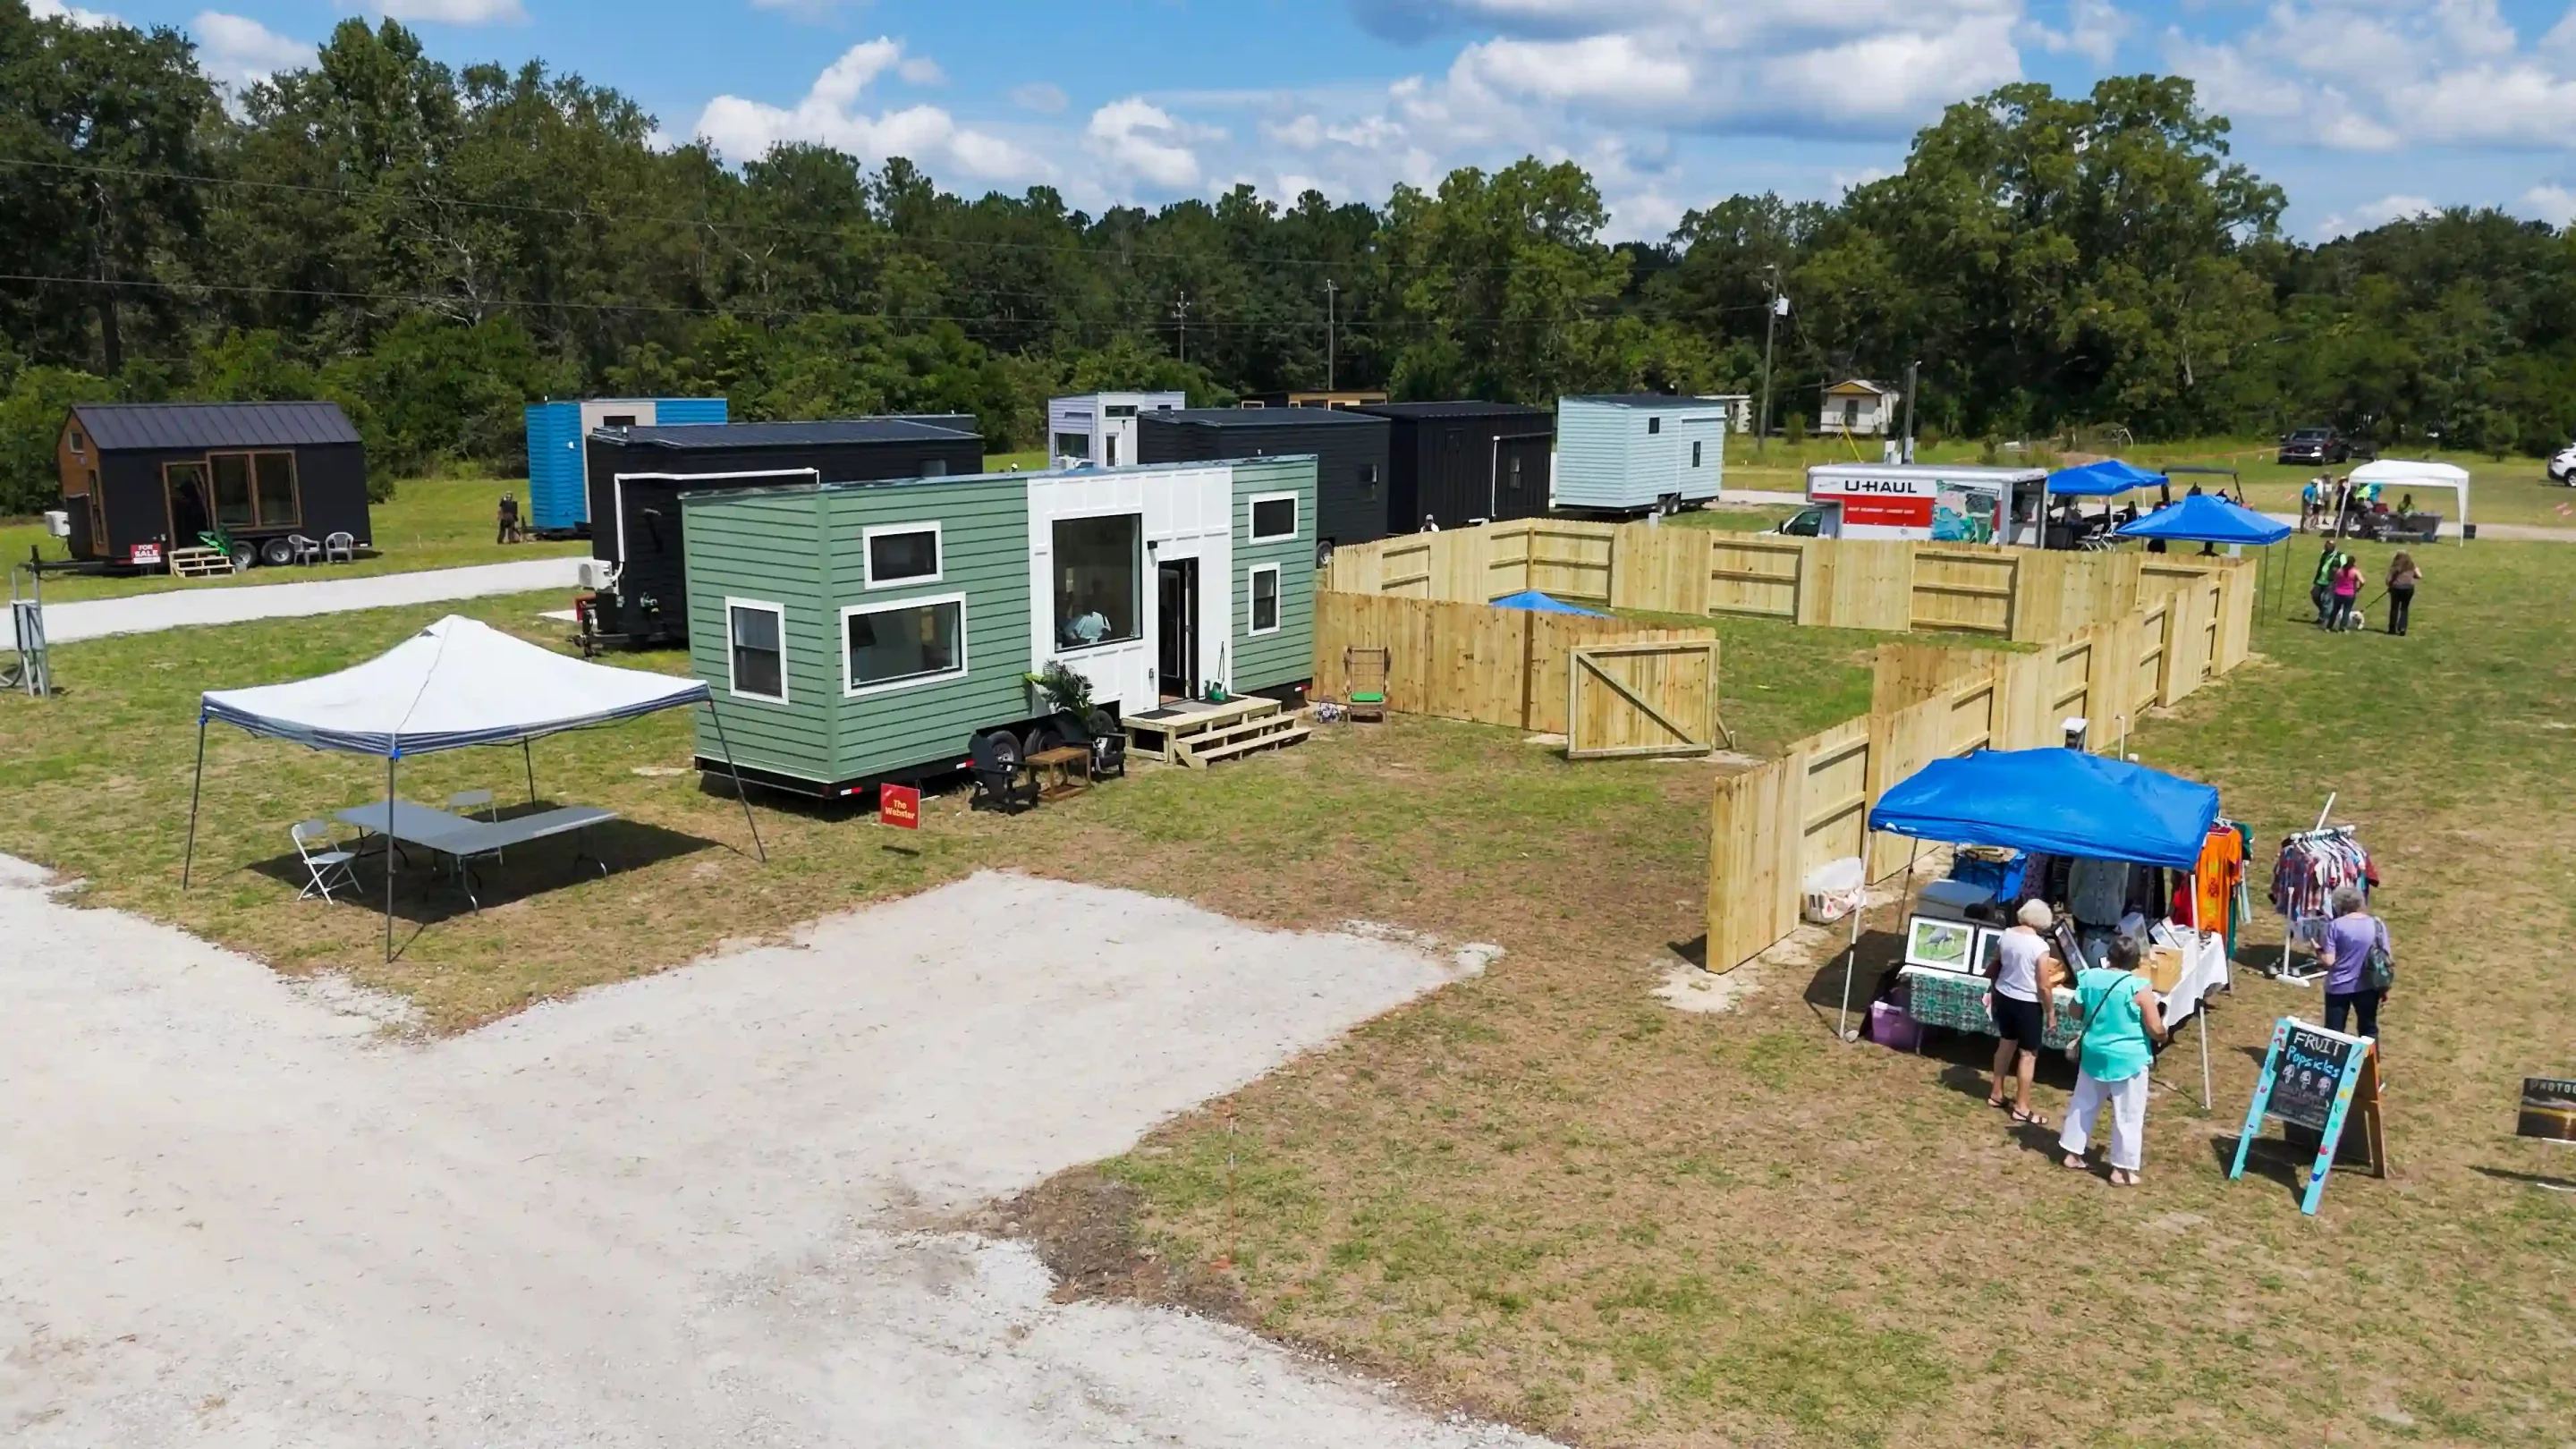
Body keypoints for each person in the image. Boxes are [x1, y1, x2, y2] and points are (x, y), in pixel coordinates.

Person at [2058, 936, 2169, 1187]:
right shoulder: (2138, 987)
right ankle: (2121, 1169)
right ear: (2135, 961)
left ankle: (2072, 1153)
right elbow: (2154, 1027)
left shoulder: (2089, 978)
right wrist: (2163, 1035)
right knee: (2128, 1113)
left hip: (2094, 1051)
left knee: (2083, 1103)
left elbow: (2074, 1012)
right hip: (2128, 1057)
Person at [1987, 899, 2060, 1126]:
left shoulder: (2007, 934)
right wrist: (2050, 1012)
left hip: (2004, 995)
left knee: (2006, 1043)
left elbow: (1996, 960)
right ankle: (2022, 1107)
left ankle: (1996, 1093)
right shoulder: (2040, 947)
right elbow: (2044, 984)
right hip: (2027, 1002)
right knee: (2028, 1055)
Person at [2316, 885, 2392, 1039]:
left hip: (2338, 986)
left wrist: (2317, 949)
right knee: (2368, 1030)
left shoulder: (2334, 926)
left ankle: (2334, 1063)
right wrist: (2384, 988)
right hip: (2369, 986)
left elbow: (2329, 961)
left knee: (2333, 1033)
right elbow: (2387, 958)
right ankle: (2370, 1063)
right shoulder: (2377, 924)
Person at [2386, 551, 2421, 636]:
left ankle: (2392, 629)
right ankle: (2402, 628)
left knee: (2394, 608)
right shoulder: (2411, 565)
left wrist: (2390, 585)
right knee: (2404, 609)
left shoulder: (2395, 566)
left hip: (2396, 588)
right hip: (2408, 588)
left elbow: (2388, 580)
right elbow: (2419, 575)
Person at [2330, 554, 2364, 631]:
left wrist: (2334, 589)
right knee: (2346, 611)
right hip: (2349, 593)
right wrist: (2358, 589)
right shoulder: (2355, 571)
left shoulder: (2340, 570)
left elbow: (2335, 581)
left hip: (2338, 593)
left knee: (2335, 610)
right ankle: (2342, 628)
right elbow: (2363, 581)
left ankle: (2329, 627)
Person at [2311, 543, 2340, 625]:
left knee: (2326, 600)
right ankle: (2324, 612)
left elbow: (2343, 568)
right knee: (2315, 595)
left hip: (2330, 581)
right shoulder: (2324, 554)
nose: (2326, 549)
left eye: (2328, 548)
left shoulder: (2340, 556)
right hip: (2320, 580)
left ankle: (2323, 619)